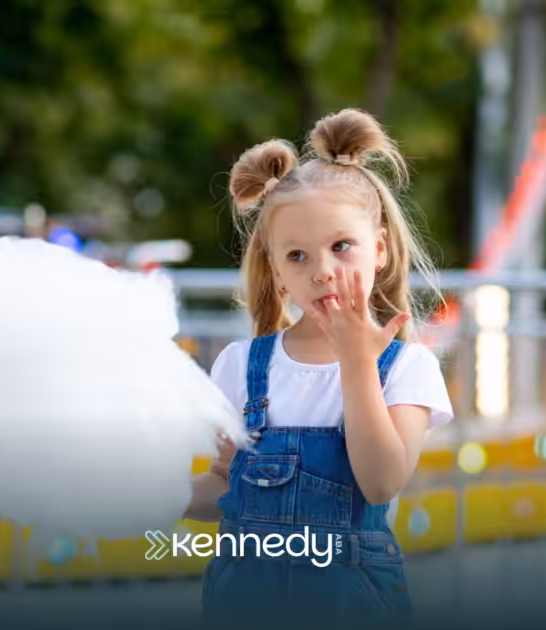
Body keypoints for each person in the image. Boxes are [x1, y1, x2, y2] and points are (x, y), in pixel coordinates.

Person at [184, 109, 454, 629]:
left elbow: (381, 483)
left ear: (378, 249)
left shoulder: (407, 368)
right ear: (278, 271)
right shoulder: (240, 365)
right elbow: (225, 486)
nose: (323, 270)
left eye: (341, 246)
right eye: (298, 256)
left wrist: (357, 360)